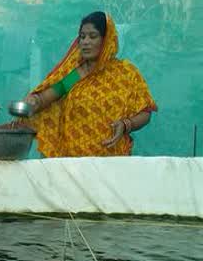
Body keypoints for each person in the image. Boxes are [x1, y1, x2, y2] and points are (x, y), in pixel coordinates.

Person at [19, 11, 157, 157]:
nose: (85, 42)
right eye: (82, 37)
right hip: (74, 164)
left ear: (106, 40)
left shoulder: (125, 73)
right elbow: (46, 98)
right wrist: (35, 101)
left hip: (113, 160)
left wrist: (125, 125)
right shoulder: (76, 75)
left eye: (93, 36)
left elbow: (145, 113)